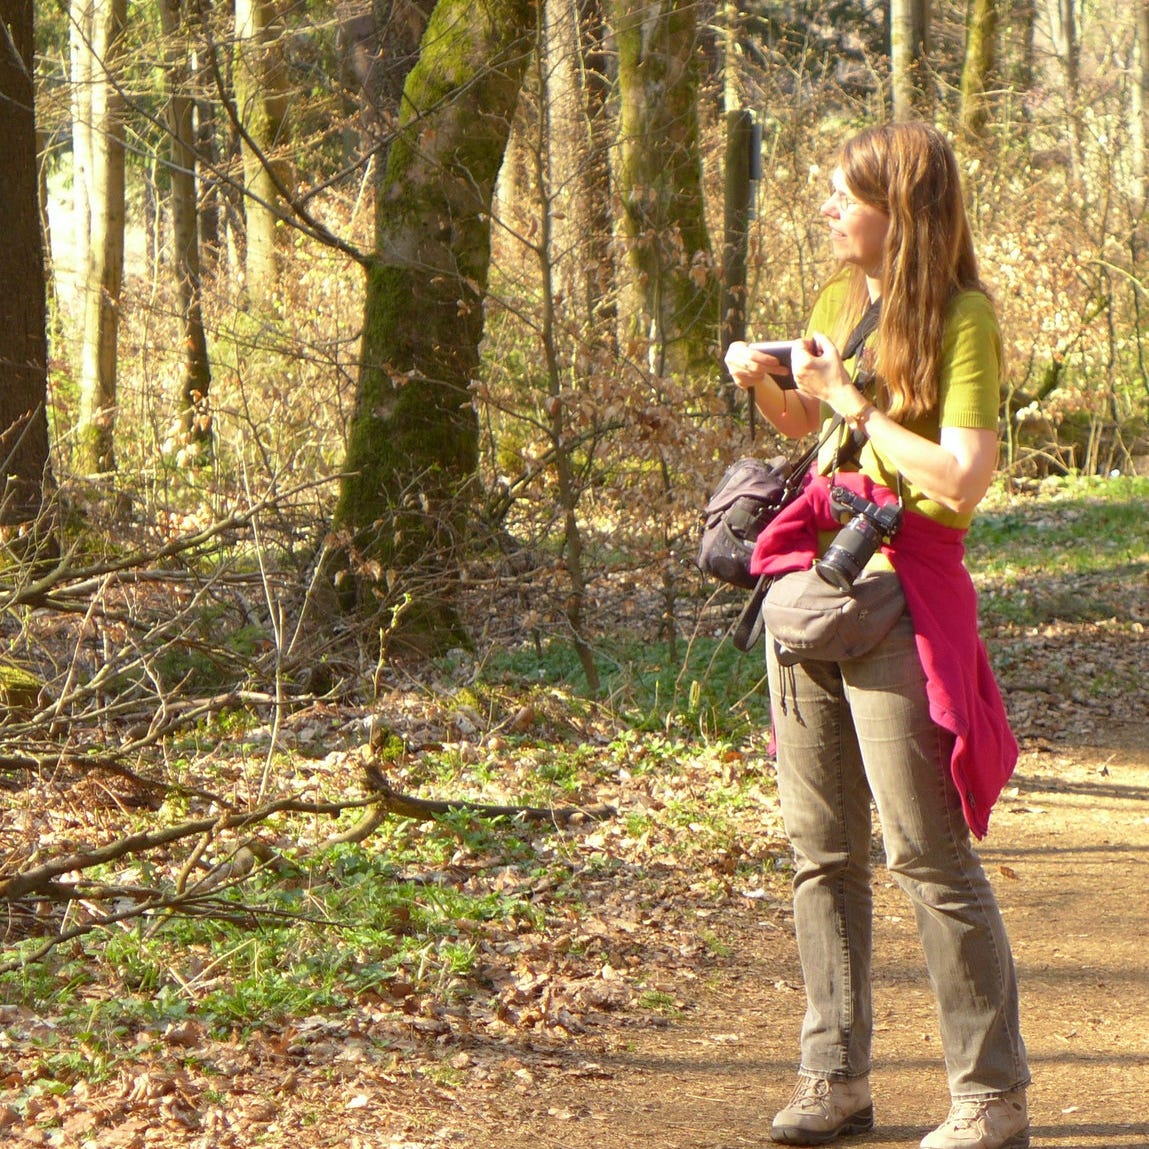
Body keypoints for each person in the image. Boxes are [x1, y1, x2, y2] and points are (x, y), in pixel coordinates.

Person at [724, 122, 1030, 1149]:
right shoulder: (834, 304)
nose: (825, 208)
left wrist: (848, 399)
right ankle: (834, 1079)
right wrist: (777, 389)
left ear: (901, 213)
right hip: (813, 585)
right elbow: (811, 436)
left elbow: (958, 481)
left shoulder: (964, 318)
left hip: (905, 595)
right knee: (821, 854)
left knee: (927, 855)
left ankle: (989, 1100)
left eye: (843, 194)